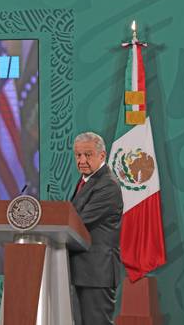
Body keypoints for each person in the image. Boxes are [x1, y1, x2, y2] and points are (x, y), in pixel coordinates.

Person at [70, 132, 123, 325]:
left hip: (96, 273)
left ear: (102, 156)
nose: (82, 160)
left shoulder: (107, 185)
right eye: (78, 155)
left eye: (88, 154)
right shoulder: (86, 181)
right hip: (81, 271)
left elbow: (78, 222)